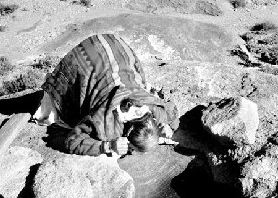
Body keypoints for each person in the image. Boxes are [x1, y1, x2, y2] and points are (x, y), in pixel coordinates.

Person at [32, 33, 179, 157]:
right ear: (127, 136)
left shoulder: (156, 109)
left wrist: (169, 127)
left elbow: (172, 113)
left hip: (113, 46)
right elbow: (72, 141)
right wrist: (107, 146)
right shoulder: (104, 119)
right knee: (52, 115)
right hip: (89, 58)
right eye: (133, 149)